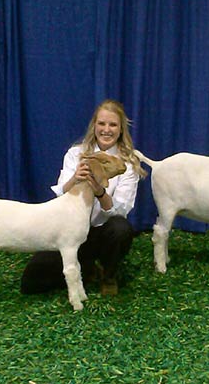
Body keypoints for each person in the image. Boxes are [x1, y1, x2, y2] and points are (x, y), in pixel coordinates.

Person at [20, 99, 147, 296]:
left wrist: (100, 192)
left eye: (113, 125)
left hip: (103, 232)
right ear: (94, 126)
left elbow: (122, 210)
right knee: (31, 282)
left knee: (120, 228)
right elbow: (61, 194)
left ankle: (109, 274)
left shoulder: (128, 163)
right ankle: (87, 267)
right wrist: (75, 179)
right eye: (102, 124)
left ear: (121, 129)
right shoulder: (76, 154)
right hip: (70, 230)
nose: (106, 130)